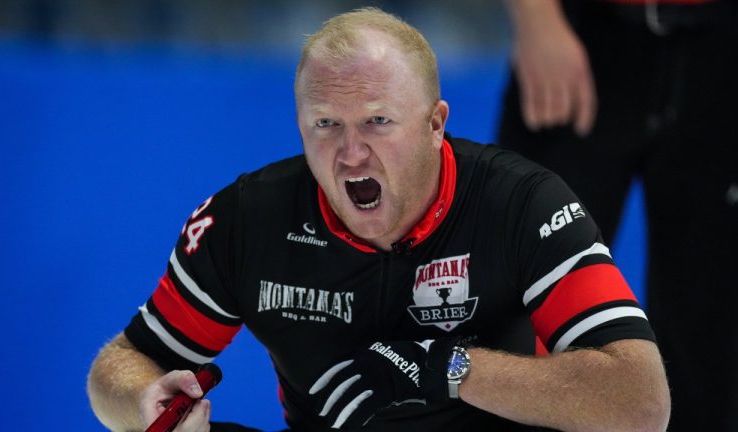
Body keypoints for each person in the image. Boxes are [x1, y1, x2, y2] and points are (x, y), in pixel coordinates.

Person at [87, 7, 670, 431]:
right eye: (325, 124)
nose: (351, 153)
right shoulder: (246, 221)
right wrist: (143, 401)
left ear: (435, 123)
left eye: (377, 122)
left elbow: (641, 402)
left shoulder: (521, 204)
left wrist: (446, 366)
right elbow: (123, 365)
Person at [497, 1, 738, 430]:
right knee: (525, 301)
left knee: (710, 332)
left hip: (721, 51)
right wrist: (537, 21)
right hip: (584, 38)